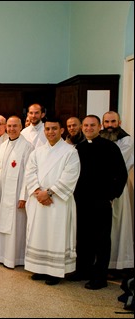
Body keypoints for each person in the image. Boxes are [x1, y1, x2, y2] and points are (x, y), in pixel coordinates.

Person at [70, 115, 127, 290]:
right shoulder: (78, 148)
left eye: (92, 125)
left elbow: (122, 174)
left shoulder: (110, 148)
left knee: (101, 240)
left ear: (99, 126)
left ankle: (100, 277)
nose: (88, 128)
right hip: (81, 200)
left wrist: (112, 196)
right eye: (85, 125)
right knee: (83, 237)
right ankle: (83, 270)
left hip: (101, 201)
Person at [24, 117, 80, 285]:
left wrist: (49, 193)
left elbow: (70, 176)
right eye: (47, 129)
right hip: (39, 200)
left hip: (58, 202)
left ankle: (55, 272)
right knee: (39, 232)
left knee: (56, 234)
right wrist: (37, 192)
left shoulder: (70, 152)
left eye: (54, 128)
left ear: (62, 130)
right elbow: (29, 173)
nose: (50, 132)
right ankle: (40, 268)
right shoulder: (37, 152)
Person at [0, 115, 34, 268]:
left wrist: (24, 196)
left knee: (15, 226)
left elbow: (29, 174)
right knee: (0, 223)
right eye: (10, 126)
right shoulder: (3, 145)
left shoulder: (27, 146)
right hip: (1, 194)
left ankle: (14, 258)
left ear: (21, 128)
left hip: (16, 196)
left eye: (15, 126)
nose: (12, 129)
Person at [100, 111, 134, 272]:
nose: (110, 125)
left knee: (117, 225)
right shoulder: (99, 138)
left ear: (119, 122)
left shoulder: (126, 140)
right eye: (107, 122)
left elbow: (116, 165)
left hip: (116, 188)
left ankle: (116, 264)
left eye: (113, 121)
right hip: (98, 189)